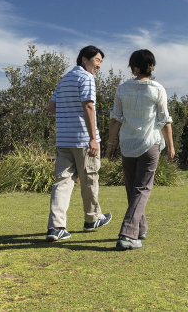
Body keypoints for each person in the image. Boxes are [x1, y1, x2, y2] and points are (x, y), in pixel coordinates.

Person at [106, 49, 175, 250]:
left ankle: (139, 228)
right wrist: (170, 146)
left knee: (133, 189)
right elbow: (164, 121)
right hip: (150, 143)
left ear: (134, 67)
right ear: (151, 67)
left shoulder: (123, 88)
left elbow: (115, 118)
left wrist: (110, 145)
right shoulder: (158, 89)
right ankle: (129, 233)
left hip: (127, 143)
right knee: (141, 189)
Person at [45, 45, 112, 241]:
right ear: (84, 59)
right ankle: (92, 219)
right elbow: (88, 106)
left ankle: (56, 227)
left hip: (64, 140)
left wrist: (68, 116)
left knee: (62, 183)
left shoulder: (64, 79)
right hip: (84, 140)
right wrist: (93, 138)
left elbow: (51, 107)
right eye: (97, 60)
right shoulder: (86, 78)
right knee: (89, 179)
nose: (99, 65)